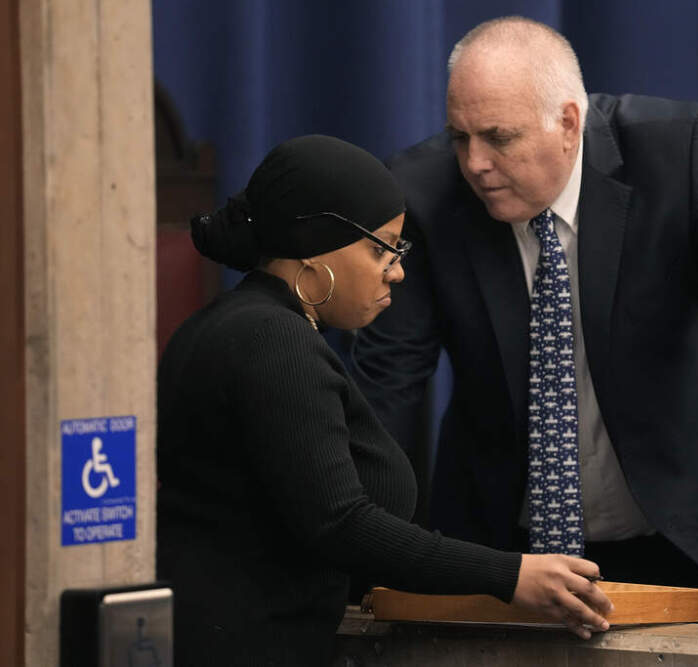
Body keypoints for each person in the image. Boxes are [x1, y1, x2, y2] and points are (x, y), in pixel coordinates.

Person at [352, 17, 698, 622]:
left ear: (568, 123)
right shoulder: (423, 191)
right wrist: (375, 544)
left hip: (679, 511)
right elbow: (391, 379)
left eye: (498, 137)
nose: (475, 163)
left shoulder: (677, 150)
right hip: (503, 541)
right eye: (459, 136)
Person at [156, 135, 612, 665]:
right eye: (380, 249)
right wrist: (509, 576)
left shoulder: (231, 327)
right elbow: (340, 523)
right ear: (315, 243)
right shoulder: (272, 341)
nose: (396, 271)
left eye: (399, 251)